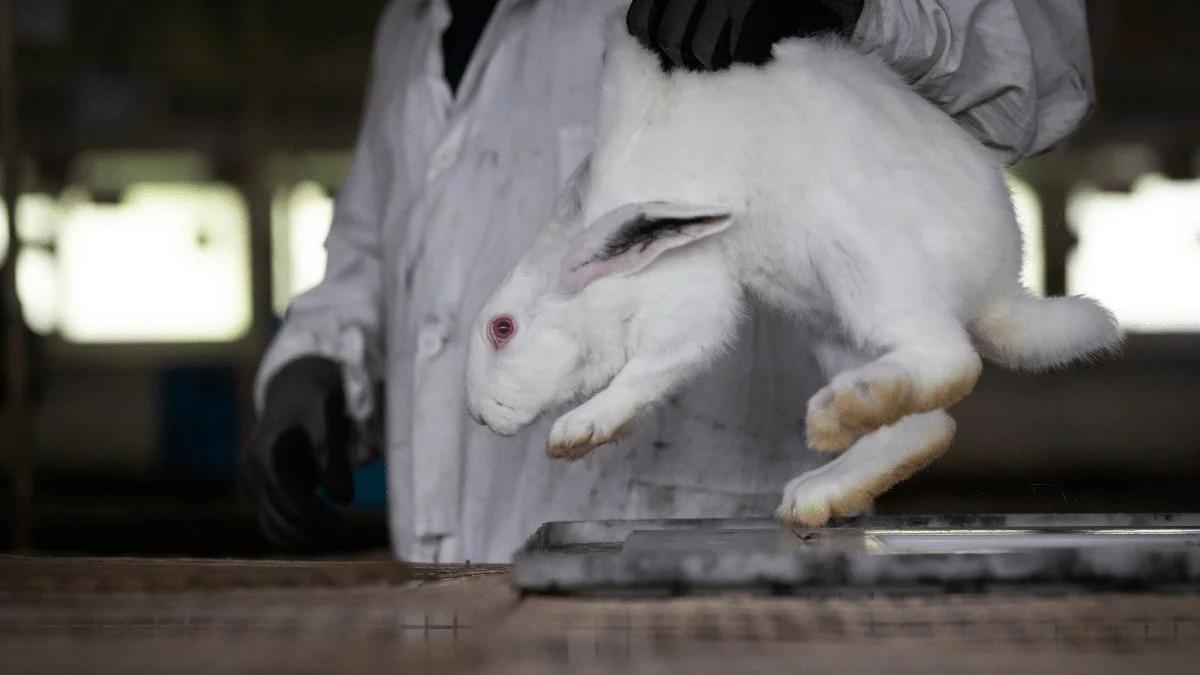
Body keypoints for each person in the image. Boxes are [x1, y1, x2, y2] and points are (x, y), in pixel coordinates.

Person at [240, 0, 1094, 562]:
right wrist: (315, 362)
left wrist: (850, 3)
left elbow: (1039, 80)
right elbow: (367, 249)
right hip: (456, 600)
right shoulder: (407, 28)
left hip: (711, 588)